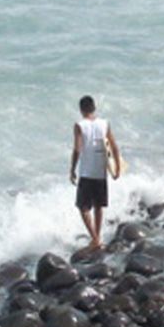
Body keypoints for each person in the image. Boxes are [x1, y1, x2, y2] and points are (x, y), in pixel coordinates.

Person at [68, 95, 121, 252]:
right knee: (98, 206)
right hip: (101, 171)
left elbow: (77, 149)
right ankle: (97, 238)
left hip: (86, 172)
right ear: (94, 107)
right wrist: (117, 167)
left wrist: (72, 169)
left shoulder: (79, 125)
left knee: (83, 207)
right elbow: (114, 146)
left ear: (81, 110)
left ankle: (95, 239)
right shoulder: (105, 124)